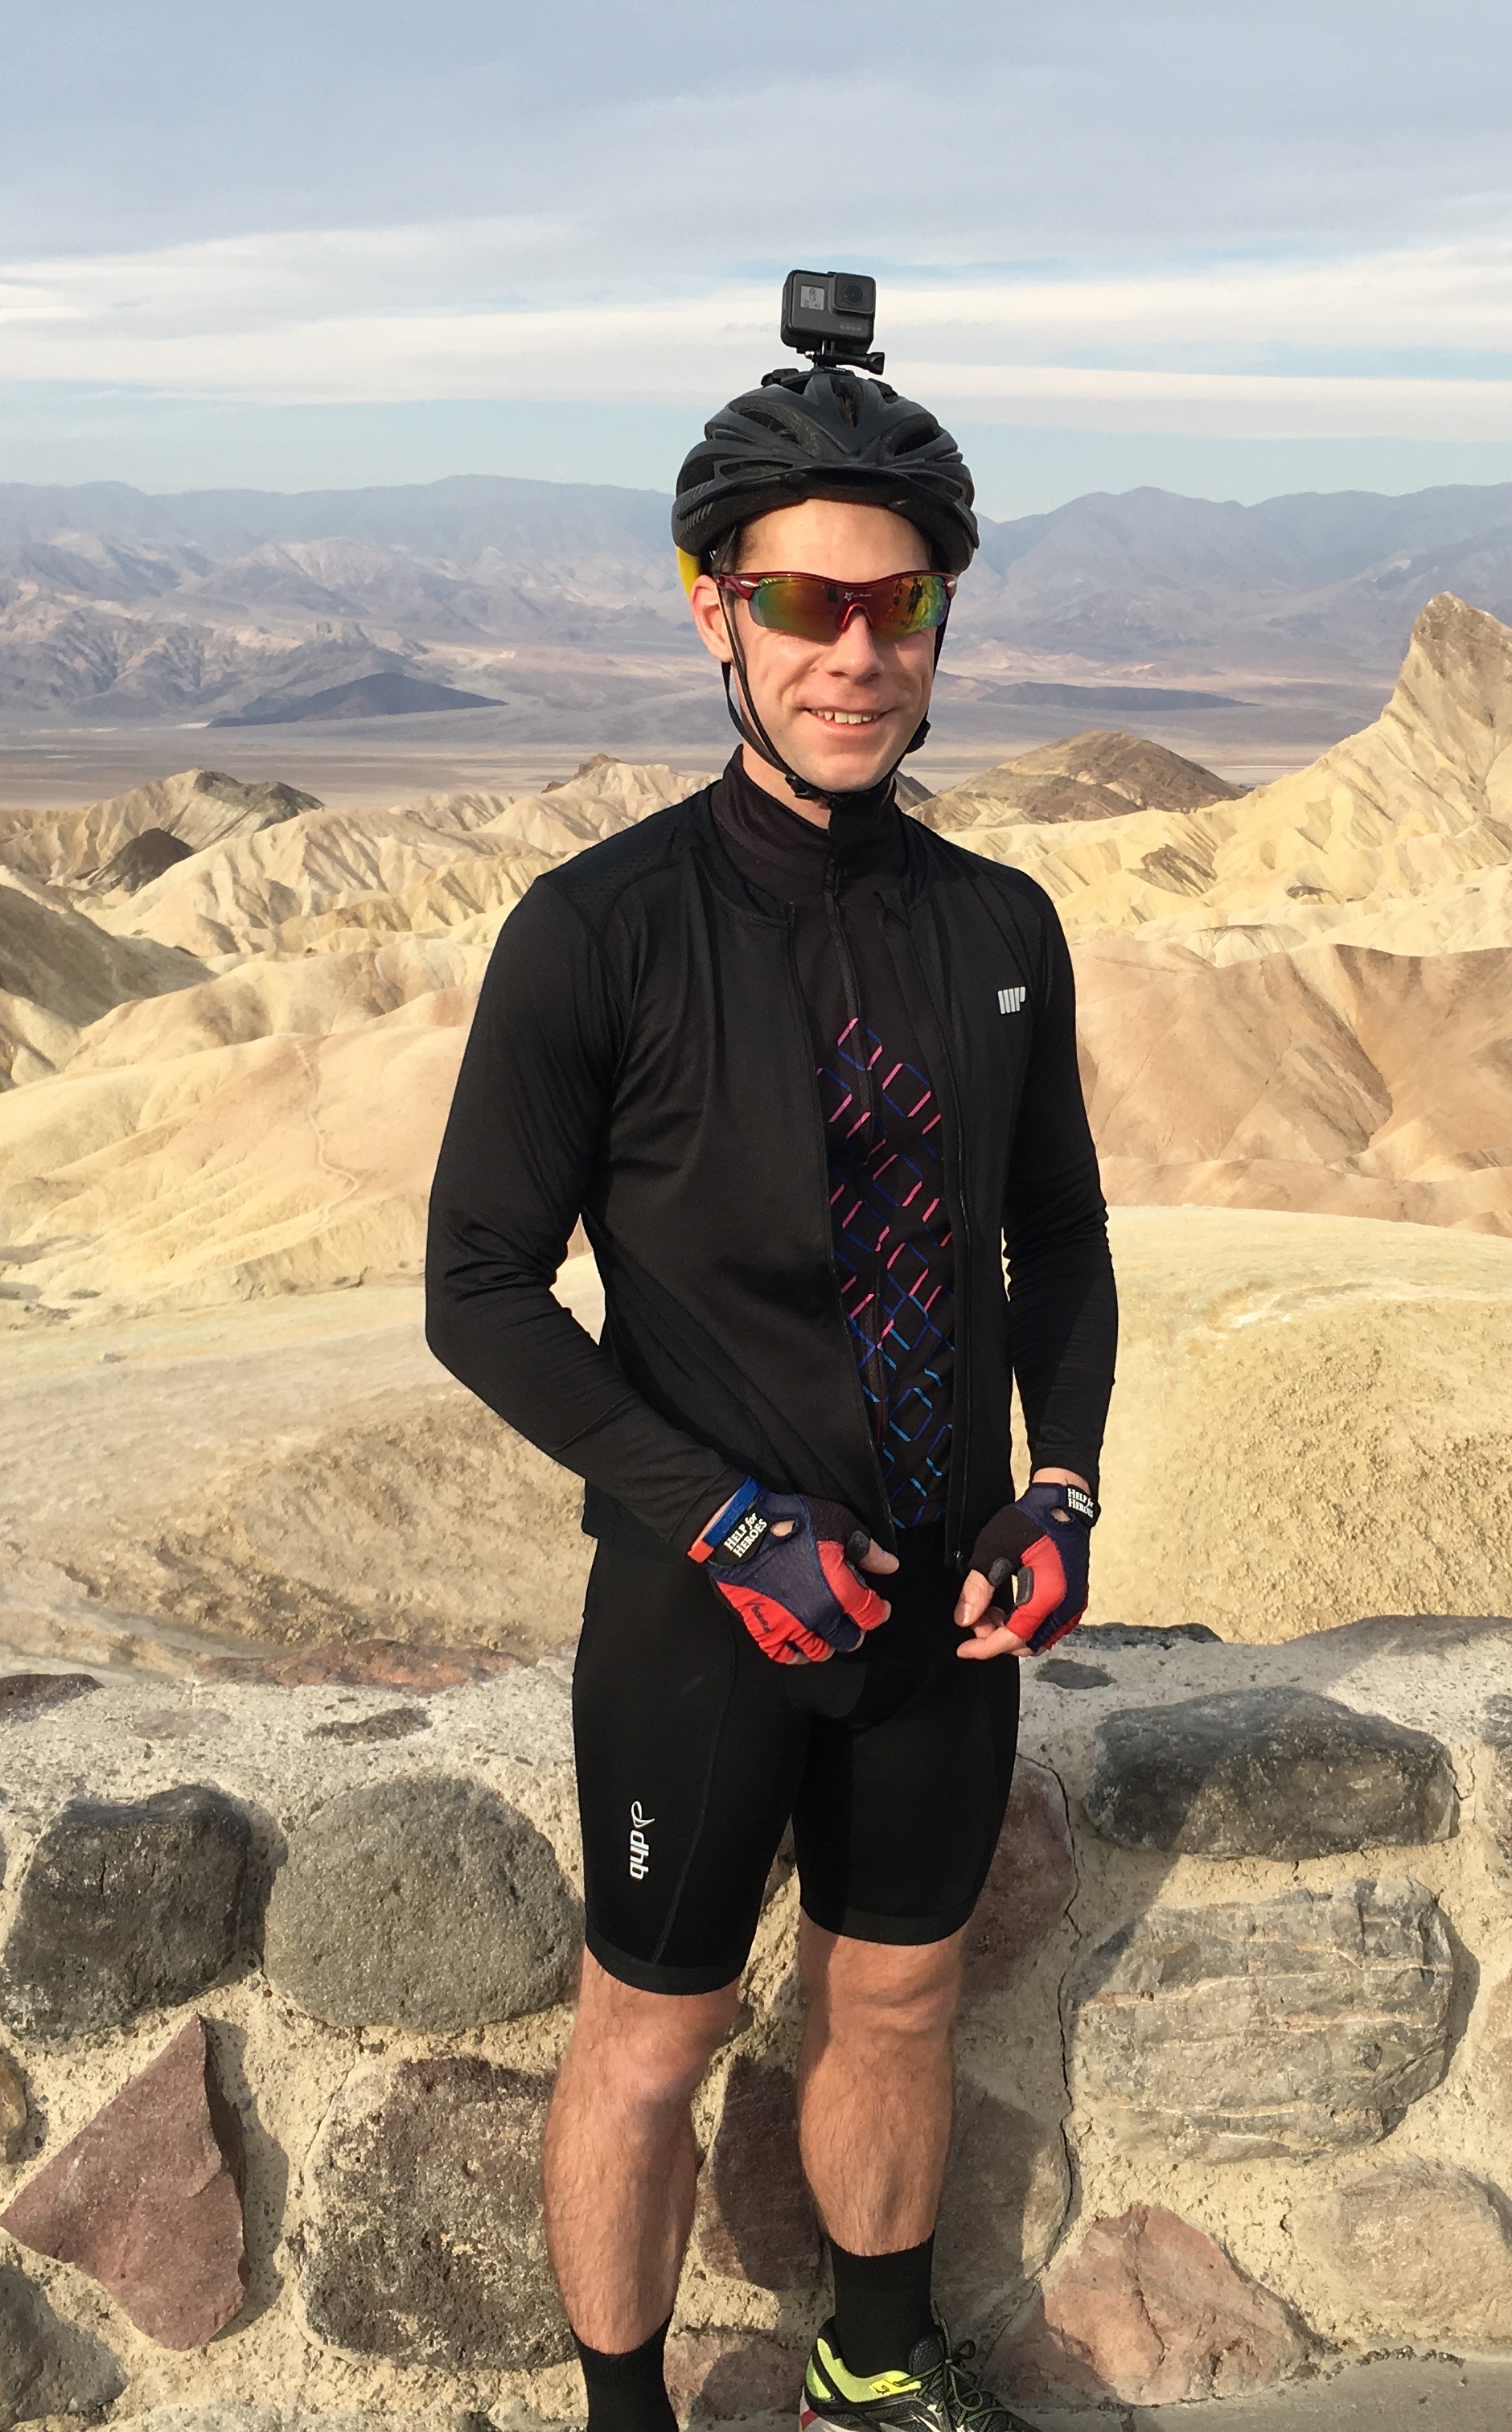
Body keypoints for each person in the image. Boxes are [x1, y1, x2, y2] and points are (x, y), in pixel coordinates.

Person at [423, 312, 1117, 2432]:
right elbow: (476, 1287)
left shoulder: (1001, 922)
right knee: (648, 2040)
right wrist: (718, 1518)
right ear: (714, 611)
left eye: (894, 605)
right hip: (699, 1610)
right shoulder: (598, 929)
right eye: (803, 603)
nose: (851, 653)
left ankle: (873, 2370)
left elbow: (1059, 1242)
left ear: (936, 625)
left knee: (895, 2006)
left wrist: (1061, 1490)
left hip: (939, 1605)